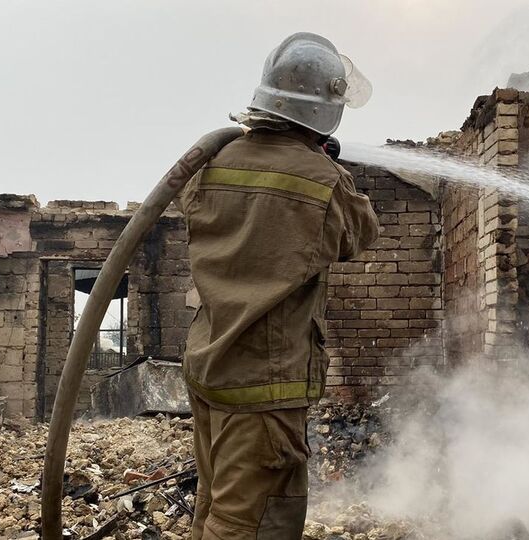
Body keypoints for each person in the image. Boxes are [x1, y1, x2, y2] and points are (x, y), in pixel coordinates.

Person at [180, 32, 379, 540]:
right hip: (264, 388)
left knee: (216, 506)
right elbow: (361, 233)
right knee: (253, 524)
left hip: (210, 365)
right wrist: (328, 164)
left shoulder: (212, 163)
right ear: (325, 110)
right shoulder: (322, 180)